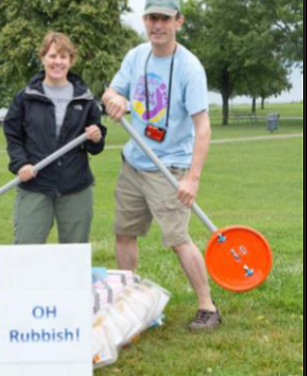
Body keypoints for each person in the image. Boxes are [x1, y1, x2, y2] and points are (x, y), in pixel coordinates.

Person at [102, 0, 218, 331]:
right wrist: (115, 99)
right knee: (124, 233)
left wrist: (192, 179)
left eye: (165, 19)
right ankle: (128, 300)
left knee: (178, 239)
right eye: (152, 18)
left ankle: (207, 306)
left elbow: (203, 127)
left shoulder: (189, 68)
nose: (157, 25)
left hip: (169, 167)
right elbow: (110, 91)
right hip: (134, 162)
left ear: (178, 22)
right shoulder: (136, 56)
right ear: (145, 20)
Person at [3, 32, 106, 245]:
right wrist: (21, 163)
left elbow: (95, 147)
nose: (57, 62)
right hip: (35, 183)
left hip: (75, 185)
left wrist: (96, 137)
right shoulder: (26, 96)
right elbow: (13, 135)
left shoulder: (85, 98)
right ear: (42, 58)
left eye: (63, 57)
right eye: (52, 56)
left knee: (74, 254)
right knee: (26, 248)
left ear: (71, 60)